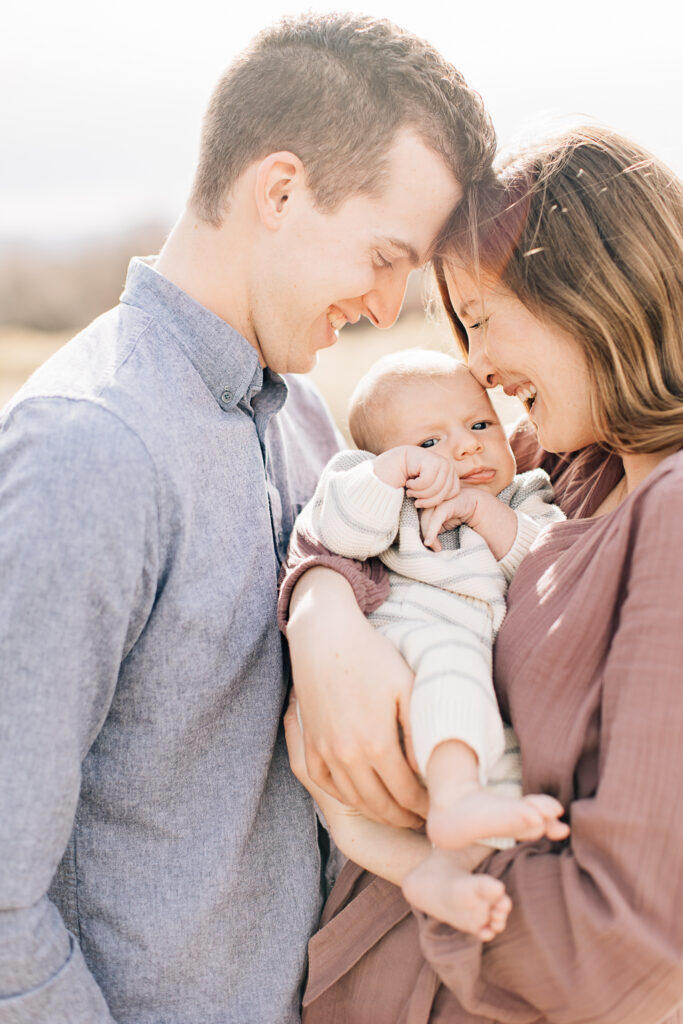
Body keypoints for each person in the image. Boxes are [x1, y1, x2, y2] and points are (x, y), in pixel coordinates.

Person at [0, 14, 495, 1024]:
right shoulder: (87, 449)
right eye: (384, 254)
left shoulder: (306, 421)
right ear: (279, 190)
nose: (389, 302)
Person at [280, 123, 683, 1022]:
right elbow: (359, 517)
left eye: (479, 317)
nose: (474, 367)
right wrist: (321, 617)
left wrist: (432, 869)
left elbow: (626, 957)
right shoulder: (582, 466)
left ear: (590, 295)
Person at [289, 350, 568, 941]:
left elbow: (550, 570)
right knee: (452, 658)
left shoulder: (525, 498)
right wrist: (389, 474)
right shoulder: (377, 493)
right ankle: (457, 801)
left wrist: (486, 514)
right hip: (396, 654)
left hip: (462, 701)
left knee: (508, 765)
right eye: (430, 442)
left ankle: (437, 872)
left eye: (478, 425)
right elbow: (335, 529)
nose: (466, 448)